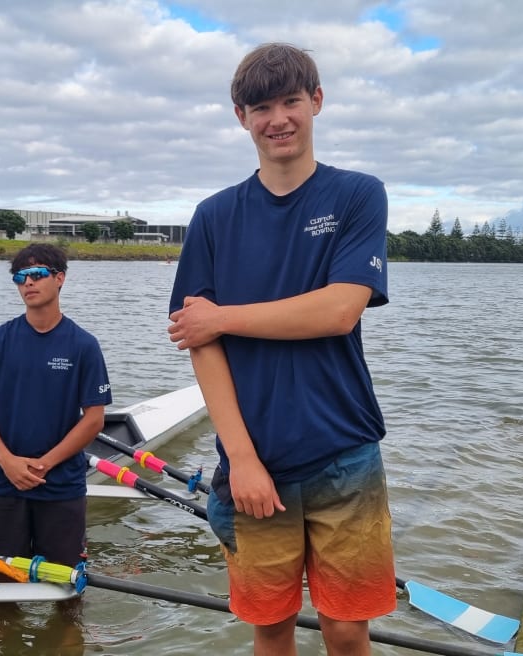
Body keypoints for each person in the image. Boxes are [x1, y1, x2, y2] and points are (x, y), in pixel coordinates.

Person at [167, 43, 395, 656]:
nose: (278, 119)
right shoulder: (213, 217)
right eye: (261, 108)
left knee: (347, 627)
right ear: (241, 117)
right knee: (270, 626)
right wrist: (241, 459)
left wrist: (222, 317)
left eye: (291, 101)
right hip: (253, 460)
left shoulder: (357, 195)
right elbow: (199, 343)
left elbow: (339, 311)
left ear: (316, 101)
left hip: (344, 450)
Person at [0, 242, 112, 577]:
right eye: (20, 277)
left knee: (67, 584)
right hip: (4, 481)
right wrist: (7, 461)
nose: (28, 283)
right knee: (6, 580)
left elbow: (94, 420)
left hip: (61, 484)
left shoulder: (83, 345)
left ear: (60, 278)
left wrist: (43, 464)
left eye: (37, 274)